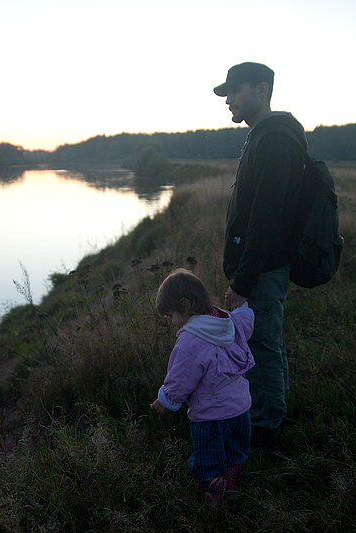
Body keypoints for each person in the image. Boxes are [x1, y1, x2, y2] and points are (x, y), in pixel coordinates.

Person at [214, 62, 309, 451]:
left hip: (263, 269)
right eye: (227, 94)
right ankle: (272, 415)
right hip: (261, 267)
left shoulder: (274, 141)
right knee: (266, 342)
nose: (229, 100)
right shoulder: (263, 137)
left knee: (262, 346)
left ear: (262, 90)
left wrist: (242, 282)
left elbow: (265, 221)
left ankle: (267, 432)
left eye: (236, 91)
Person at [150, 268, 255, 503]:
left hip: (211, 417)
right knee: (233, 452)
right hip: (241, 409)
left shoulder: (190, 340)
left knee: (208, 459)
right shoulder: (229, 322)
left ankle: (214, 498)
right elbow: (246, 320)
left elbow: (180, 380)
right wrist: (242, 303)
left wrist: (164, 401)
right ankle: (229, 484)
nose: (173, 323)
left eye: (172, 315)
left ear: (185, 305)